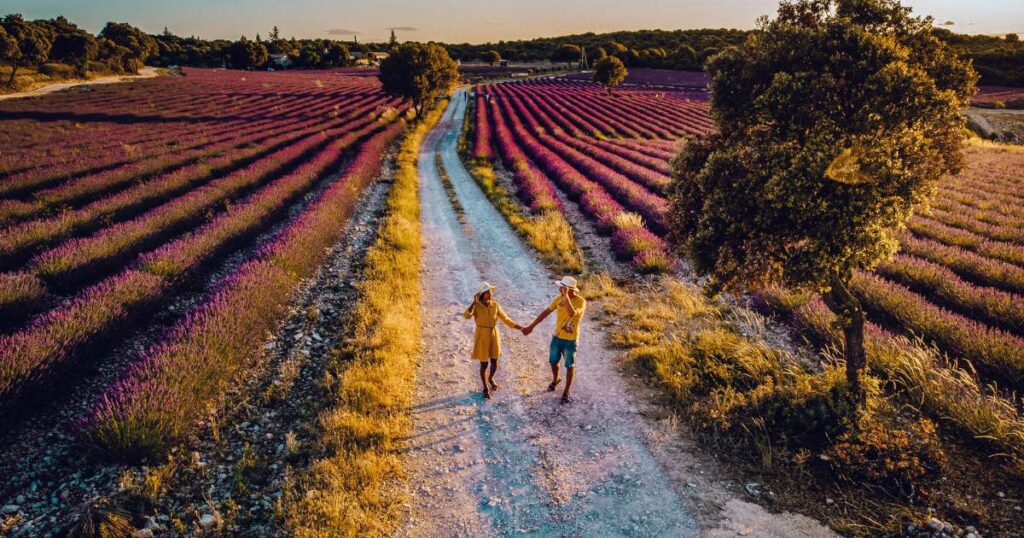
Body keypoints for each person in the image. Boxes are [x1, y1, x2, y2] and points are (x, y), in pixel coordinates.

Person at [522, 276, 586, 404]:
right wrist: (531, 326)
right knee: (553, 361)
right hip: (557, 336)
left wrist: (566, 296)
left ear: (568, 289)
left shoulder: (581, 302)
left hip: (570, 339)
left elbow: (572, 313)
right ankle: (556, 379)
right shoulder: (558, 299)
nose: (559, 290)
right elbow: (546, 312)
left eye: (561, 287)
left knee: (569, 365)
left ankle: (566, 392)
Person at [464, 282, 524, 399]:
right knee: (484, 363)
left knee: (495, 360)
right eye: (487, 292)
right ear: (481, 295)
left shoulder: (495, 305)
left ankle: (491, 378)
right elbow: (466, 316)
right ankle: (485, 387)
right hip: (482, 335)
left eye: (490, 292)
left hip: (494, 334)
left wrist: (520, 327)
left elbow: (506, 319)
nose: (489, 294)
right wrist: (473, 303)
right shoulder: (476, 306)